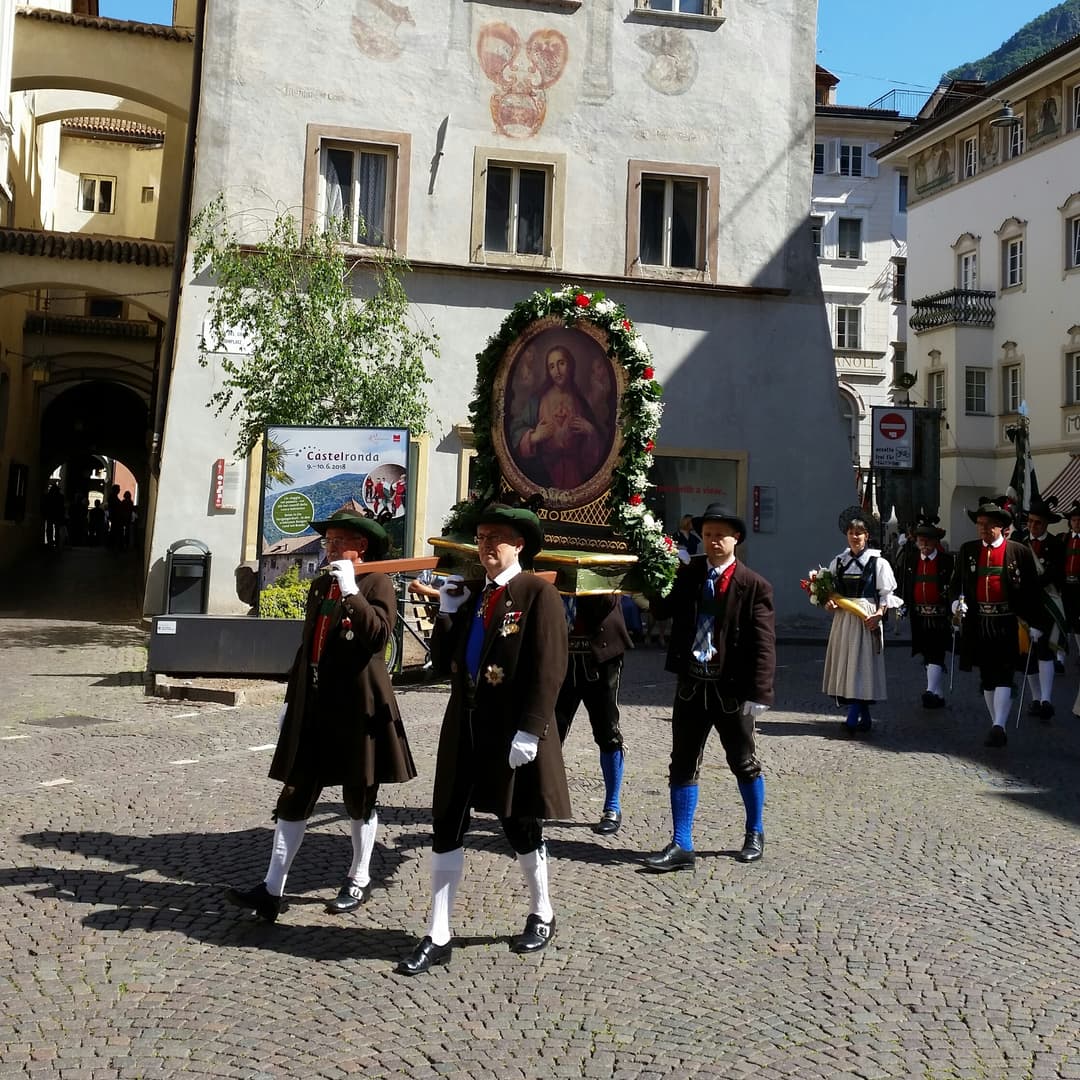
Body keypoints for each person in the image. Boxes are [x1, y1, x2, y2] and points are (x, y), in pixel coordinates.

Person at [397, 503, 569, 975]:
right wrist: (448, 612)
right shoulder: (474, 595)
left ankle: (542, 911)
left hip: (510, 729)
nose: (487, 544)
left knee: (518, 825)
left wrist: (532, 729)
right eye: (482, 536)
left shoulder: (537, 593)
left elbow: (550, 668)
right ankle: (439, 931)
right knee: (447, 822)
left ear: (519, 544)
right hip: (465, 726)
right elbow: (443, 661)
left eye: (498, 536)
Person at [226, 510, 416, 922]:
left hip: (357, 705)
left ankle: (359, 877)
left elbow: (379, 637)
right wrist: (289, 702)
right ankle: (271, 889)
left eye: (337, 541)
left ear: (360, 546)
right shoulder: (320, 585)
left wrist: (353, 592)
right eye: (328, 540)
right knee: (295, 793)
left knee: (358, 795)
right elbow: (306, 647)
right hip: (314, 704)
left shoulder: (376, 582)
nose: (329, 547)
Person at [642, 503, 776, 873]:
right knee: (682, 763)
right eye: (709, 534)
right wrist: (651, 578)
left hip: (730, 689)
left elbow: (764, 644)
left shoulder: (754, 585)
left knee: (743, 762)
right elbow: (663, 610)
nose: (714, 541)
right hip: (691, 685)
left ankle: (755, 831)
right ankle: (682, 844)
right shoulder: (690, 574)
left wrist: (760, 693)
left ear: (736, 540)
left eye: (721, 535)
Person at [951, 498, 1042, 748]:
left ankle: (999, 724)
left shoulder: (1019, 552)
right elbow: (956, 584)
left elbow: (1033, 592)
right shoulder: (968, 550)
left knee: (1005, 673)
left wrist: (1035, 624)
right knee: (987, 676)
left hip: (1008, 623)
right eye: (979, 524)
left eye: (987, 524)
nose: (981, 529)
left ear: (1001, 527)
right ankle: (996, 723)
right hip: (979, 623)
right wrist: (955, 605)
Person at [555, 593, 632, 834]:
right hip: (559, 652)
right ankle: (538, 802)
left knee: (607, 730)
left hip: (601, 651)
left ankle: (612, 805)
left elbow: (607, 601)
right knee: (549, 732)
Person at [822, 509, 900, 735]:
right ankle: (863, 717)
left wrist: (879, 614)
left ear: (867, 536)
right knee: (848, 665)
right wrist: (830, 604)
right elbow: (830, 592)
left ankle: (852, 718)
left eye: (859, 533)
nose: (855, 537)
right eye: (851, 532)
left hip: (866, 616)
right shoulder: (838, 562)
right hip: (845, 619)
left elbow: (886, 594)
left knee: (863, 665)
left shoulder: (878, 563)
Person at [511, 346, 603, 489]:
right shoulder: (537, 401)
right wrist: (534, 437)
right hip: (543, 475)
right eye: (552, 366)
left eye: (561, 363)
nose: (557, 371)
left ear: (570, 365)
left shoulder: (580, 402)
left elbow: (597, 447)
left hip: (576, 478)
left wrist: (590, 431)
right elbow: (515, 430)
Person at [900, 517, 954, 709]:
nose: (924, 544)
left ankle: (930, 691)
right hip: (919, 616)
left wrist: (955, 608)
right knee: (926, 652)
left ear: (935, 542)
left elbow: (955, 588)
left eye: (928, 541)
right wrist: (903, 604)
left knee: (936, 651)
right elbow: (906, 584)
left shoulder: (947, 561)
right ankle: (937, 694)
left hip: (940, 616)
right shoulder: (911, 560)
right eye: (921, 540)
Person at [1020, 496, 1065, 720]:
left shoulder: (1056, 544)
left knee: (1046, 650)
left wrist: (1033, 582)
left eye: (1037, 522)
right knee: (1027, 652)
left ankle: (1047, 699)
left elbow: (1056, 572)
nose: (1032, 526)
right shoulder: (1019, 541)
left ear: (1046, 524)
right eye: (1030, 521)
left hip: (1045, 604)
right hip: (1025, 605)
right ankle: (1036, 698)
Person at [43, 481, 65, 548]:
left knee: (49, 529)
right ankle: (57, 543)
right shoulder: (61, 496)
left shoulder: (48, 496)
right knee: (57, 529)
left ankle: (50, 542)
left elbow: (45, 505)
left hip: (50, 514)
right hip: (57, 515)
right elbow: (62, 507)